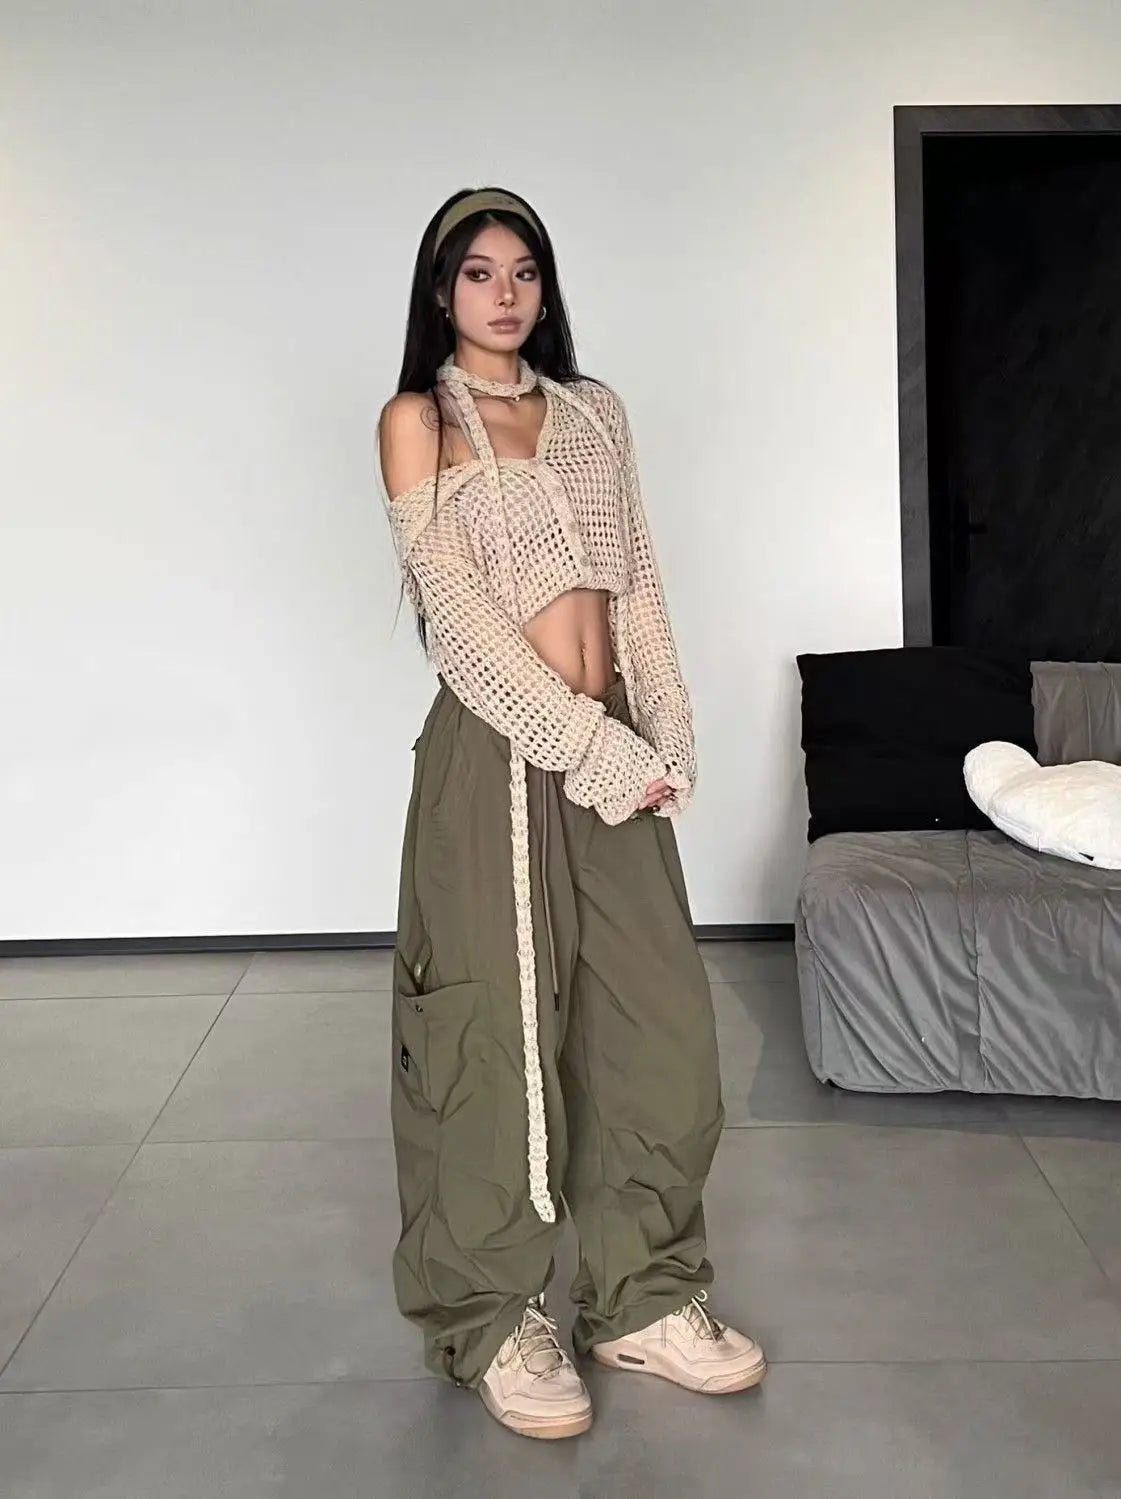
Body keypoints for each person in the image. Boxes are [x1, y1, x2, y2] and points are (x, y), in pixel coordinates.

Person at [378, 187, 766, 1441]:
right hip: (495, 754)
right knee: (491, 1037)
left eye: (524, 271)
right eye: (477, 272)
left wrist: (667, 729)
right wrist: (586, 743)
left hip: (615, 752)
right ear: (441, 291)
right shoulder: (419, 421)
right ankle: (495, 1313)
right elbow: (457, 621)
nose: (504, 294)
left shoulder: (595, 412)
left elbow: (635, 582)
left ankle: (639, 1295)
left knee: (656, 1023)